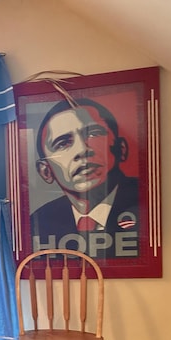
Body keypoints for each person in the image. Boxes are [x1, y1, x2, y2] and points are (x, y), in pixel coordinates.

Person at [29, 98, 139, 258]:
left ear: (121, 149)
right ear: (46, 171)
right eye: (62, 143)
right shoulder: (39, 221)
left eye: (94, 134)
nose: (82, 149)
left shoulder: (145, 204)